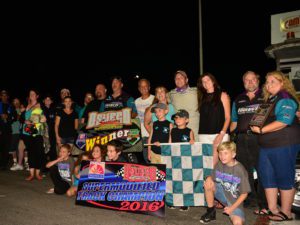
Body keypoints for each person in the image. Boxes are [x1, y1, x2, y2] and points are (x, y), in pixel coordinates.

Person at [250, 71, 300, 221]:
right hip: (266, 145)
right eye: (267, 81)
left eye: (273, 81)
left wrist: (261, 130)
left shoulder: (285, 97)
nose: (269, 84)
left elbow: (284, 121)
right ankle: (273, 209)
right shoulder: (269, 99)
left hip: (284, 143)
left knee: (284, 176)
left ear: (283, 83)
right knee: (267, 176)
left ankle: (286, 212)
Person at [230, 71, 268, 212]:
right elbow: (234, 121)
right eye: (247, 80)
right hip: (241, 138)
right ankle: (250, 199)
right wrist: (227, 136)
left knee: (263, 169)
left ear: (258, 81)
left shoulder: (266, 96)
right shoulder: (239, 99)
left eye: (253, 79)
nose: (250, 82)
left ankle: (264, 202)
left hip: (259, 137)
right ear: (243, 82)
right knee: (245, 172)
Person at [200, 141, 250, 225]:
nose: (222, 156)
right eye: (220, 153)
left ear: (233, 155)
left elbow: (244, 194)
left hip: (234, 200)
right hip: (223, 194)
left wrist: (232, 208)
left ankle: (229, 208)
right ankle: (211, 211)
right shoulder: (220, 164)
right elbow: (211, 177)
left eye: (226, 153)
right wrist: (208, 178)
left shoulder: (240, 170)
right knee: (208, 182)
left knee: (237, 222)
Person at [197, 73, 231, 166]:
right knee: (206, 164)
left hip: (219, 134)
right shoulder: (202, 97)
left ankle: (219, 180)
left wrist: (221, 134)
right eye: (203, 81)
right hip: (203, 135)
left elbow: (228, 117)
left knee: (221, 163)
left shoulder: (222, 95)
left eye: (207, 80)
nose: (205, 82)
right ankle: (208, 180)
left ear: (213, 81)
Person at [169, 109, 194, 211]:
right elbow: (169, 144)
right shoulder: (173, 131)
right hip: (174, 158)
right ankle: (175, 200)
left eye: (180, 117)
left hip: (186, 159)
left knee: (185, 181)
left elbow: (194, 145)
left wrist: (192, 142)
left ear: (186, 120)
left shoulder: (189, 131)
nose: (177, 119)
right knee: (175, 180)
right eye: (176, 117)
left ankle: (185, 202)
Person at [22, 89, 46, 181]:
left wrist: (43, 118)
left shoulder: (40, 105)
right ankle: (31, 174)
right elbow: (21, 118)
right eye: (30, 94)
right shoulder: (26, 105)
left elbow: (45, 116)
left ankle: (37, 173)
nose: (31, 95)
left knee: (38, 152)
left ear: (37, 96)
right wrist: (25, 120)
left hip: (37, 131)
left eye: (33, 94)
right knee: (31, 152)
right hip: (27, 131)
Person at [169, 70, 199, 141]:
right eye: (176, 78)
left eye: (181, 77)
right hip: (178, 131)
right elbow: (160, 98)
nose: (179, 80)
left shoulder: (196, 91)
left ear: (186, 80)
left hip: (194, 131)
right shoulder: (171, 94)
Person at [135, 79, 155, 163]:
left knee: (154, 159)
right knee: (146, 159)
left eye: (145, 86)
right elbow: (135, 118)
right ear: (139, 88)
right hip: (142, 136)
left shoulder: (154, 99)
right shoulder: (136, 101)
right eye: (141, 86)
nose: (143, 88)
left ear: (149, 87)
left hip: (152, 134)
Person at [0, 90, 16, 170]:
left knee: (6, 147)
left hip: (7, 130)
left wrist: (8, 117)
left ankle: (3, 164)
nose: (4, 96)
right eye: (2, 95)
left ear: (8, 96)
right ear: (0, 96)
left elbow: (14, 117)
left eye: (5, 95)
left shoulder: (11, 106)